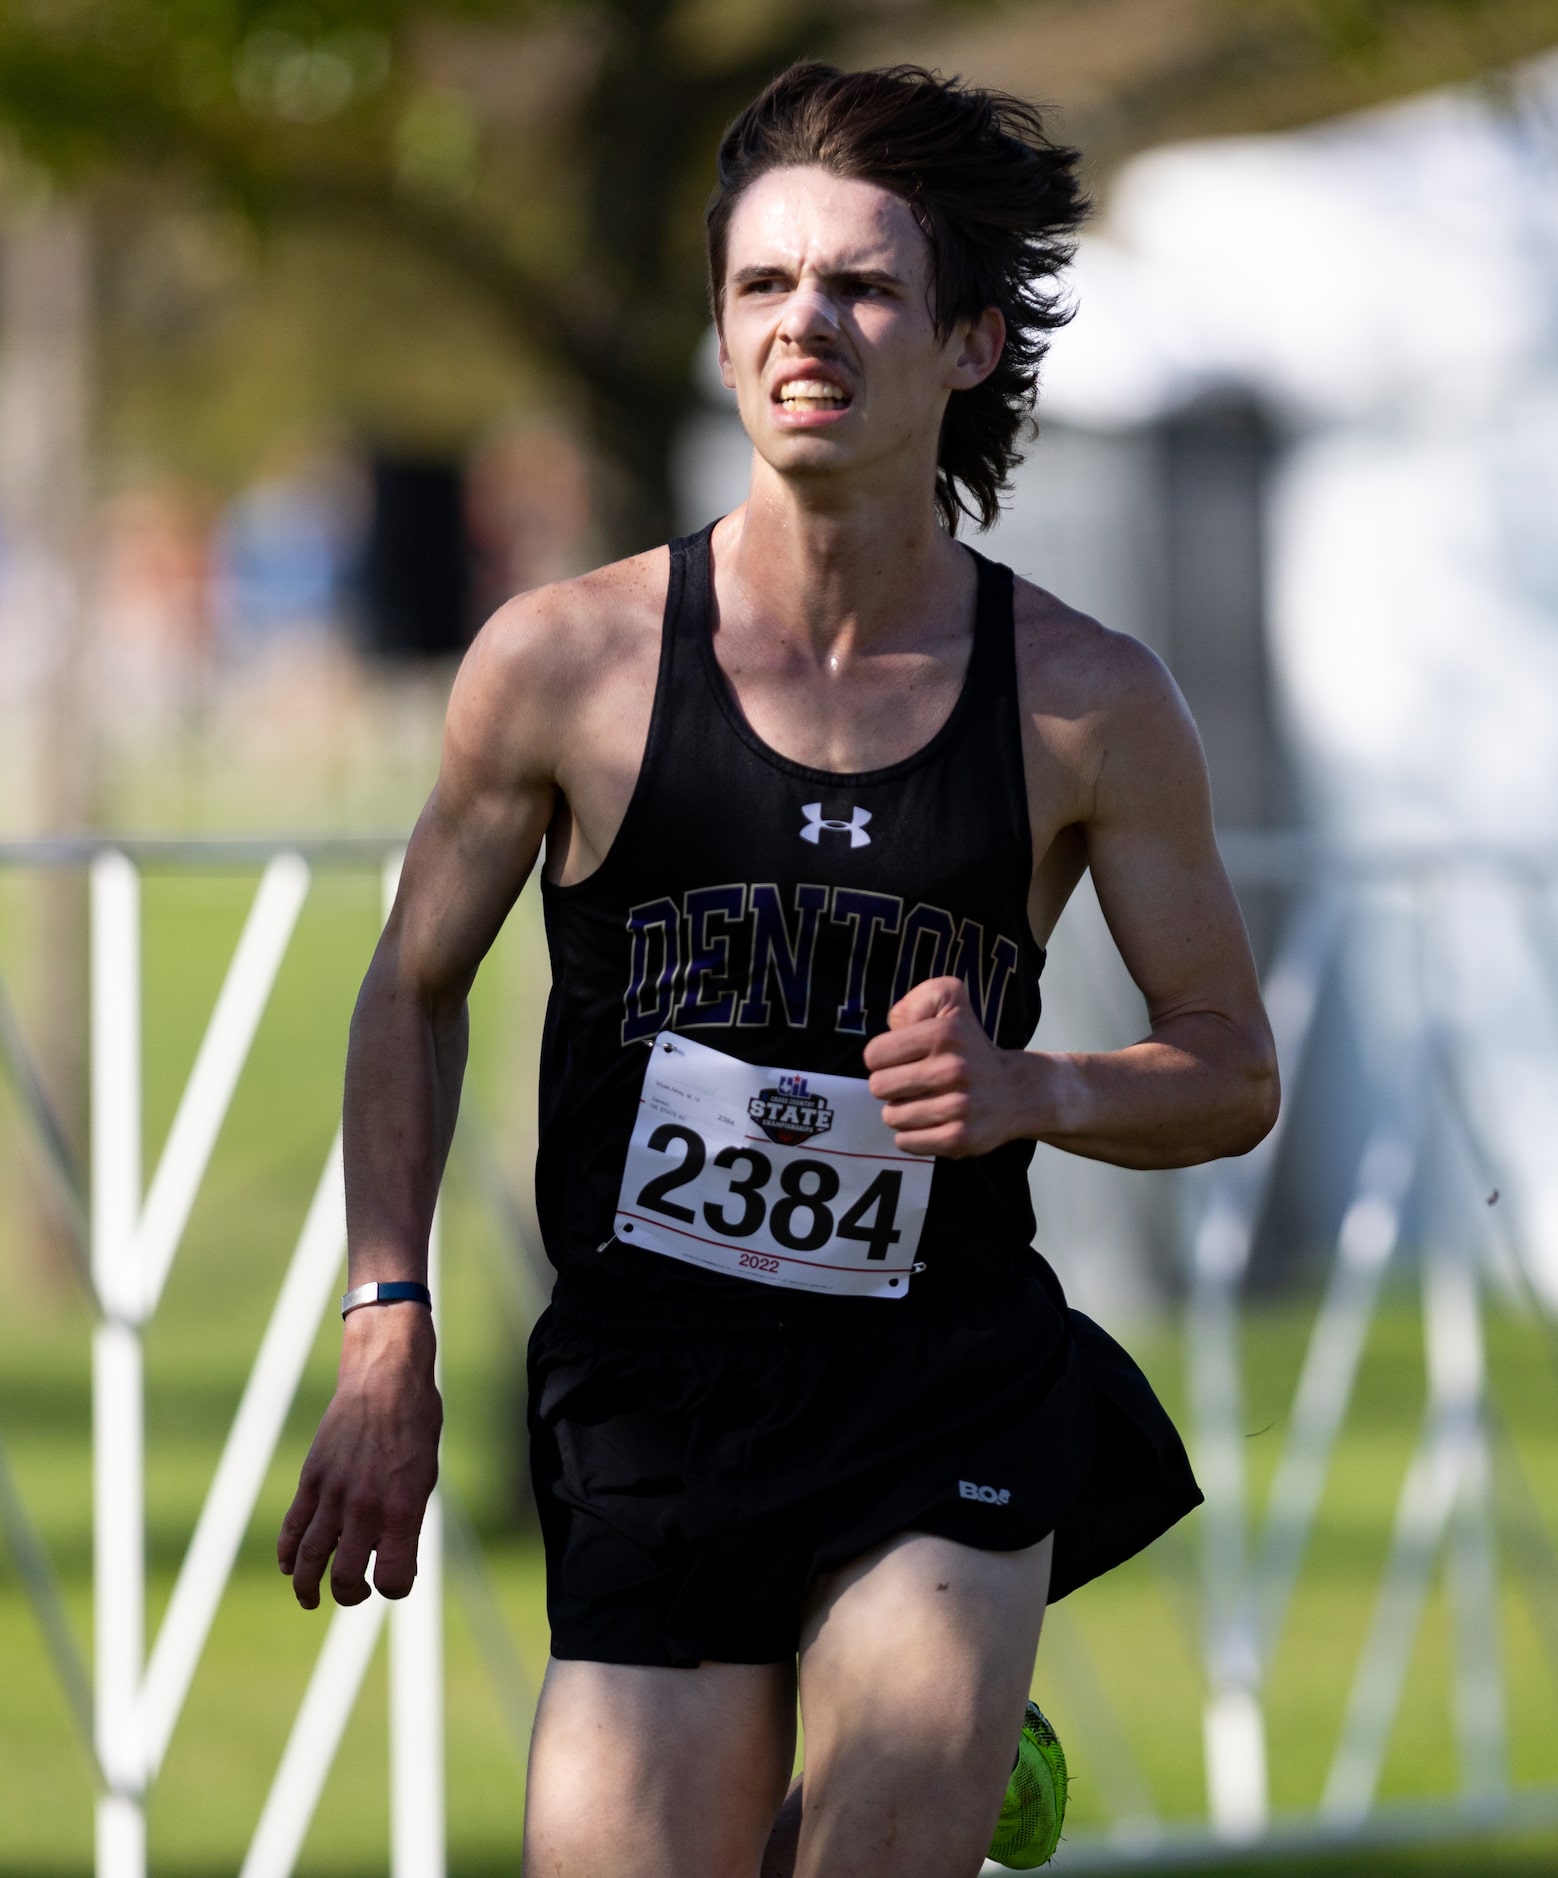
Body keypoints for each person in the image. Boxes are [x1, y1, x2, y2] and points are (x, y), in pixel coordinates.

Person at [278, 62, 1278, 1878]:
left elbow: (1231, 1066)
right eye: (762, 285)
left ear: (968, 344)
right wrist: (387, 1321)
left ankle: (945, 1710)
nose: (803, 325)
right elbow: (411, 989)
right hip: (647, 1400)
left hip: (938, 1393)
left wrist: (1037, 1089)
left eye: (863, 287)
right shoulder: (559, 662)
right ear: (720, 332)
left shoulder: (1084, 700)